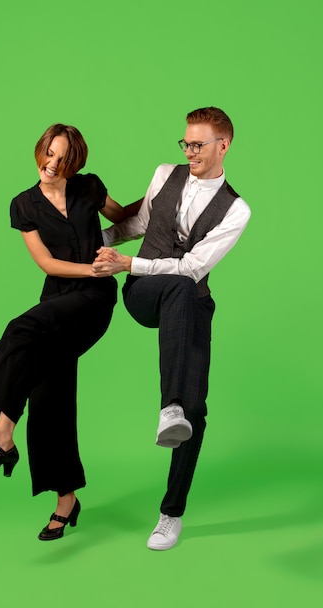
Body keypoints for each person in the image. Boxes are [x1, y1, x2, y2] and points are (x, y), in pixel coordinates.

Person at [0, 123, 132, 541]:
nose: (51, 165)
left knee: (21, 329)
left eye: (61, 159)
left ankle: (3, 433)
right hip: (58, 293)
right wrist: (91, 267)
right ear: (39, 151)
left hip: (93, 300)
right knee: (50, 394)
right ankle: (66, 501)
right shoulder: (24, 205)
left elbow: (126, 217)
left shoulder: (88, 188)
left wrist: (170, 191)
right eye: (48, 154)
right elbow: (47, 264)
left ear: (74, 164)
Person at [92, 106, 251, 550]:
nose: (190, 151)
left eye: (198, 144)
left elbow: (195, 266)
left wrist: (129, 262)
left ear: (224, 145)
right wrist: (95, 243)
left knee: (195, 412)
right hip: (145, 292)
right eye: (186, 143)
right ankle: (171, 405)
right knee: (178, 285)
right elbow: (137, 224)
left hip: (190, 300)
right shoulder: (166, 173)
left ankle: (170, 513)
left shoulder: (237, 210)